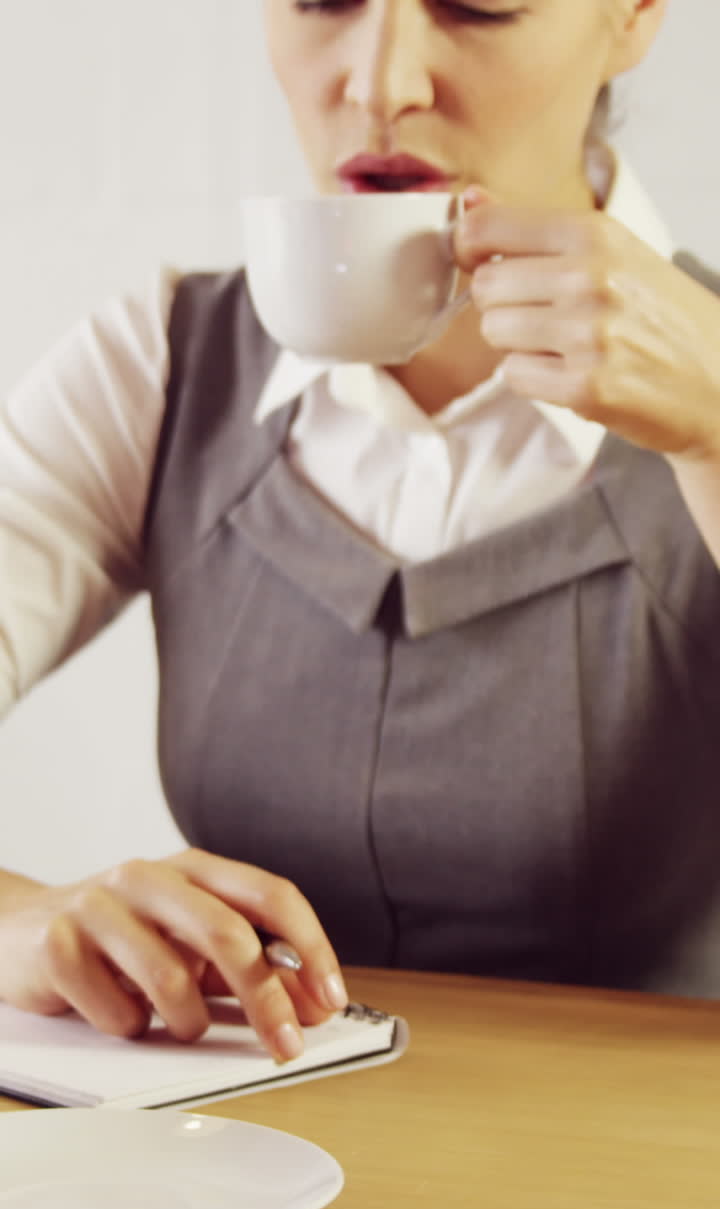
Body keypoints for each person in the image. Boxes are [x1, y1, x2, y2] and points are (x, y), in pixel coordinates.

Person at [2, 0, 720, 1064]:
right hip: (246, 1178)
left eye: (478, 5)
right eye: (323, 0)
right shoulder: (158, 368)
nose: (382, 83)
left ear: (635, 14)